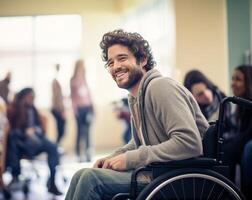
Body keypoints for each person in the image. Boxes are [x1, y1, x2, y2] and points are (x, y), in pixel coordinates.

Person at [65, 29, 208, 200]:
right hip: (160, 171)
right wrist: (115, 156)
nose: (115, 67)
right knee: (80, 175)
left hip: (178, 176)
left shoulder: (160, 87)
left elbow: (189, 142)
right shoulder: (136, 97)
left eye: (122, 58)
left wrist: (131, 159)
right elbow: (141, 141)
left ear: (143, 59)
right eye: (110, 63)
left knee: (91, 179)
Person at [6, 88, 62, 196]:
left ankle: (52, 182)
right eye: (30, 97)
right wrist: (25, 132)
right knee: (13, 138)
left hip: (37, 139)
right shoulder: (15, 109)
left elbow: (39, 127)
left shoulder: (33, 109)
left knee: (53, 147)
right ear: (24, 97)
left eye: (33, 97)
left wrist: (35, 130)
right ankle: (15, 175)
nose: (32, 99)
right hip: (23, 141)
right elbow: (12, 130)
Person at [223, 65, 252, 199]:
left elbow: (247, 135)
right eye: (232, 78)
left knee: (246, 148)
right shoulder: (241, 106)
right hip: (245, 141)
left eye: (238, 79)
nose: (233, 83)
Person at [70, 59, 94, 162]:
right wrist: (75, 110)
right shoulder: (73, 80)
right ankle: (78, 154)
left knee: (88, 132)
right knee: (80, 132)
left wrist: (92, 107)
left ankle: (88, 153)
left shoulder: (85, 78)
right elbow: (73, 97)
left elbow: (88, 94)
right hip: (79, 110)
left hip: (87, 108)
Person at [51, 64, 66, 145]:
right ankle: (56, 147)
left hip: (57, 108)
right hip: (57, 109)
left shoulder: (57, 80)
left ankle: (57, 146)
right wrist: (62, 110)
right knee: (61, 130)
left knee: (61, 130)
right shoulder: (55, 81)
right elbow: (57, 97)